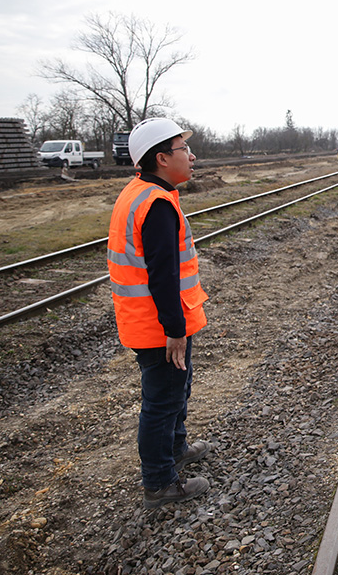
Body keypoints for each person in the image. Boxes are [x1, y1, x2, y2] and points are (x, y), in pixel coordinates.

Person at [107, 118, 212, 508]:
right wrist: (175, 330)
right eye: (184, 149)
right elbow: (163, 276)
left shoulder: (142, 194)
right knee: (162, 401)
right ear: (163, 158)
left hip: (149, 320)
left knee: (174, 392)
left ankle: (177, 448)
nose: (192, 155)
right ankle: (159, 482)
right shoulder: (155, 205)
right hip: (159, 326)